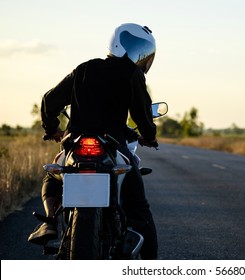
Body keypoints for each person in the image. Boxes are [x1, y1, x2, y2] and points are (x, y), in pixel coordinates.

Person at [28, 23, 158, 259]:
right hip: (112, 144)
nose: (137, 54)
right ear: (119, 44)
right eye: (134, 47)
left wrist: (53, 128)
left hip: (75, 143)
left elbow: (49, 101)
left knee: (53, 174)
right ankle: (149, 264)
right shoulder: (133, 74)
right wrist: (149, 137)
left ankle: (49, 221)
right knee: (140, 209)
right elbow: (143, 114)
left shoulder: (85, 69)